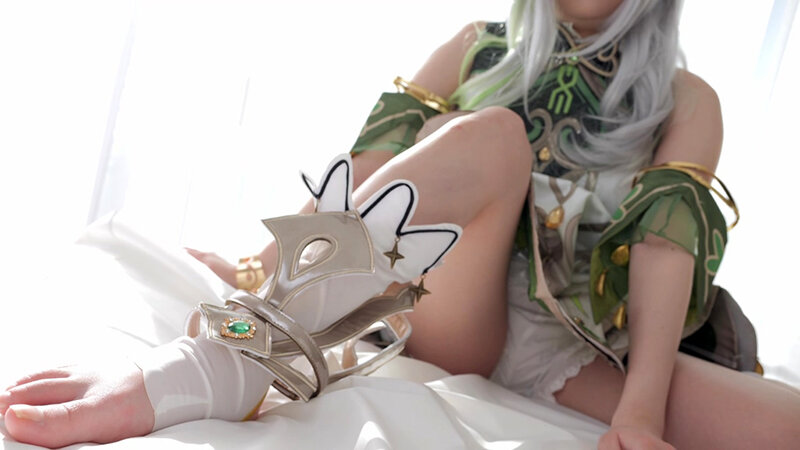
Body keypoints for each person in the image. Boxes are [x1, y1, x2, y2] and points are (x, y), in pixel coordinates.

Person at [2, 0, 799, 448]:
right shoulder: (476, 47)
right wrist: (258, 268)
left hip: (568, 348)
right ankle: (237, 355)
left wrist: (640, 413)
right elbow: (371, 168)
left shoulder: (687, 100)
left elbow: (663, 253)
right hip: (444, 303)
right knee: (493, 136)